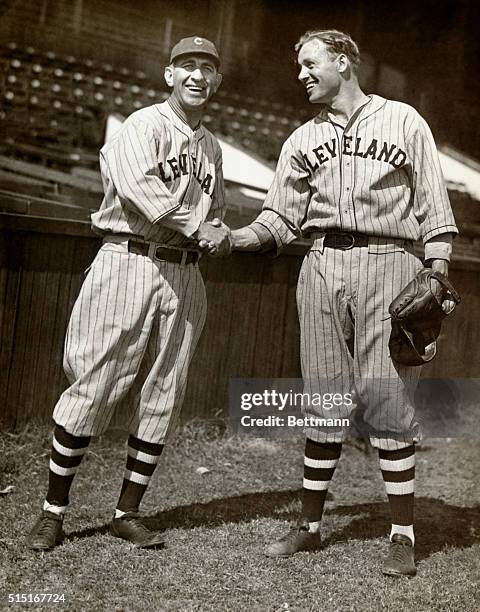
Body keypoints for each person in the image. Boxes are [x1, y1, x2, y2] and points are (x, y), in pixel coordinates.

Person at [231, 29, 457, 576]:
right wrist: (235, 238)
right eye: (298, 65)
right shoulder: (300, 139)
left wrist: (439, 269)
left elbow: (433, 200)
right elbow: (281, 218)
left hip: (391, 262)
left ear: (343, 60)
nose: (301, 73)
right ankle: (309, 526)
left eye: (310, 62)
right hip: (322, 261)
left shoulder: (404, 121)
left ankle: (402, 534)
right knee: (324, 395)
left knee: (386, 399)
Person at [27, 36, 231, 550]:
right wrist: (200, 227)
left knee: (166, 390)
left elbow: (218, 212)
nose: (197, 76)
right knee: (93, 384)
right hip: (129, 260)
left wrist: (220, 230)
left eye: (207, 68)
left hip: (185, 274)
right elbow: (144, 193)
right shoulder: (142, 125)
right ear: (168, 74)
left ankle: (127, 512)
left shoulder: (211, 147)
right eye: (188, 65)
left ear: (217, 81)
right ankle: (53, 511)